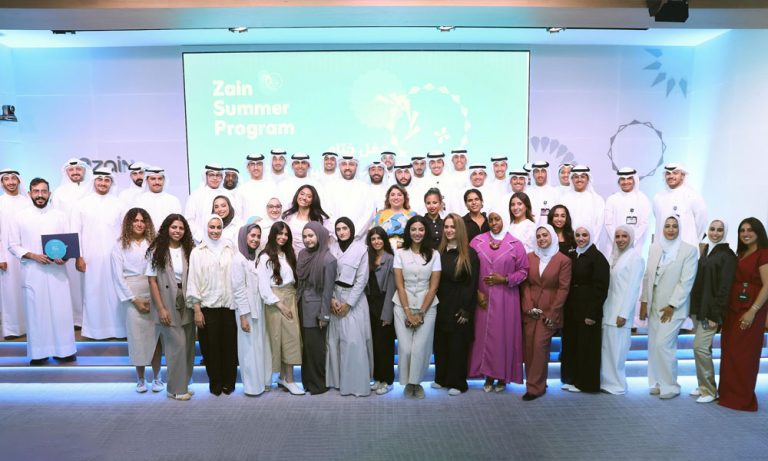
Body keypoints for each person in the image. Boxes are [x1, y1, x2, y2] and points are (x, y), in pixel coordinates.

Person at [8, 178, 77, 365]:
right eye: (36, 191)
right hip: (33, 273)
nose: (40, 195)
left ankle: (65, 351)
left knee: (61, 312)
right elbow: (12, 245)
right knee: (37, 314)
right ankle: (39, 353)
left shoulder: (60, 216)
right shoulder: (19, 217)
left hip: (57, 273)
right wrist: (33, 255)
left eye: (44, 191)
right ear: (29, 193)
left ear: (49, 193)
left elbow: (69, 243)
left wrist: (65, 257)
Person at [468, 211, 529, 393]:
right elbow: (468, 269)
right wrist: (476, 292)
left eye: (498, 219)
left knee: (503, 336)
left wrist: (505, 279)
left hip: (506, 298)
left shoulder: (516, 244)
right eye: (491, 220)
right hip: (483, 298)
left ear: (504, 220)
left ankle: (502, 376)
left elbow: (524, 271)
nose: (494, 223)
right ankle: (488, 375)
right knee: (484, 337)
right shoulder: (477, 241)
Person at [639, 216, 698, 400]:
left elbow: (686, 281)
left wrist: (673, 304)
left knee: (664, 345)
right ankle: (657, 382)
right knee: (654, 346)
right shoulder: (655, 247)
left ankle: (671, 385)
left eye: (674, 226)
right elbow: (648, 276)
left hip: (674, 307)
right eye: (667, 226)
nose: (671, 229)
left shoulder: (689, 250)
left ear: (680, 229)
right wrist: (644, 301)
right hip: (654, 304)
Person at [718, 218, 768, 411]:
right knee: (730, 353)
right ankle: (728, 395)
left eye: (750, 230)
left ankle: (742, 399)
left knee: (744, 355)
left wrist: (753, 311)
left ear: (758, 232)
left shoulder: (763, 254)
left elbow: (767, 286)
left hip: (750, 310)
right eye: (742, 230)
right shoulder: (741, 254)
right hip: (733, 309)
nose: (745, 233)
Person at [111, 207, 163, 393]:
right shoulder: (119, 246)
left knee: (156, 338)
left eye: (143, 220)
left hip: (154, 291)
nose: (139, 224)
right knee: (136, 338)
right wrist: (134, 299)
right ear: (129, 223)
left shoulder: (155, 243)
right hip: (132, 294)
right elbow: (118, 277)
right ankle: (140, 379)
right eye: (136, 220)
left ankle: (157, 377)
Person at [71, 167, 126, 340]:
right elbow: (75, 232)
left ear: (111, 183)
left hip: (115, 257)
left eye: (107, 180)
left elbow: (125, 232)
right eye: (100, 179)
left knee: (116, 292)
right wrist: (78, 256)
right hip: (90, 257)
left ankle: (119, 330)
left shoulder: (119, 204)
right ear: (94, 181)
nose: (103, 183)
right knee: (93, 293)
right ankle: (95, 331)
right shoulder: (81, 204)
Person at [146, 214, 195, 400]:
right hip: (167, 300)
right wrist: (161, 308)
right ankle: (176, 389)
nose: (177, 231)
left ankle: (183, 384)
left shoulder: (189, 249)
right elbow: (152, 281)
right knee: (177, 346)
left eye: (181, 228)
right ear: (167, 228)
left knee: (188, 345)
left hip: (187, 298)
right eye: (174, 227)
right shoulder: (156, 250)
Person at [186, 215, 236, 396]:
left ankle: (229, 383)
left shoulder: (230, 249)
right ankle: (215, 383)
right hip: (207, 308)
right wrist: (196, 310)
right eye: (211, 227)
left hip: (229, 306)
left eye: (218, 227)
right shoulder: (197, 252)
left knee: (229, 348)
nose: (215, 231)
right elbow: (193, 281)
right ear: (206, 228)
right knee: (210, 349)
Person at [520, 224, 571, 400]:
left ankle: (535, 388)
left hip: (549, 311)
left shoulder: (563, 260)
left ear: (552, 237)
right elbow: (525, 283)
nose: (542, 239)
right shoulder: (529, 257)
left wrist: (552, 314)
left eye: (545, 235)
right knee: (529, 348)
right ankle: (536, 381)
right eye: (539, 236)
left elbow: (563, 289)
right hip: (531, 311)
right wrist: (528, 307)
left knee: (539, 348)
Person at [393, 215, 441, 398]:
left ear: (426, 232)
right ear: (408, 232)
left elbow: (433, 287)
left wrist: (420, 313)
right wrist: (408, 312)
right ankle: (407, 383)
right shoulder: (400, 253)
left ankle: (417, 383)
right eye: (413, 229)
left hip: (427, 306)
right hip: (402, 305)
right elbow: (400, 285)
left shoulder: (434, 254)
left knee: (420, 348)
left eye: (421, 229)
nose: (417, 233)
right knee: (405, 348)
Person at [689, 219, 736, 403]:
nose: (715, 233)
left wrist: (715, 314)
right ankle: (703, 384)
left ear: (725, 232)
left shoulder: (727, 255)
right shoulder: (707, 249)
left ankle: (709, 390)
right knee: (703, 348)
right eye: (712, 229)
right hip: (699, 309)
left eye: (719, 230)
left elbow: (725, 288)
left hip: (711, 311)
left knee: (699, 347)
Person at [433, 213, 479, 396]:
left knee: (457, 345)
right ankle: (441, 378)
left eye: (453, 227)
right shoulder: (439, 252)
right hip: (441, 304)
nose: (449, 230)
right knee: (441, 343)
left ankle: (458, 383)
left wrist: (466, 310)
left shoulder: (470, 254)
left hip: (460, 306)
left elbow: (472, 284)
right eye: (446, 227)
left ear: (459, 229)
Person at [560, 224, 609, 393]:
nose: (581, 238)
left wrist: (592, 313)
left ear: (591, 236)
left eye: (585, 235)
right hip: (572, 307)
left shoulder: (597, 258)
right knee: (572, 344)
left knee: (586, 346)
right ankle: (572, 379)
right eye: (578, 235)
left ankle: (585, 383)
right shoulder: (573, 255)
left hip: (588, 309)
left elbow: (601, 288)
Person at [256, 221, 304, 395]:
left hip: (290, 297)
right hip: (276, 301)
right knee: (284, 340)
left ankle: (284, 378)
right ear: (273, 234)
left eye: (286, 234)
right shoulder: (265, 257)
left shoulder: (289, 254)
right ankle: (290, 380)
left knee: (290, 339)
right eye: (280, 233)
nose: (283, 237)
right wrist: (279, 304)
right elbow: (263, 286)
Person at [327, 217, 373, 396]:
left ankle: (355, 385)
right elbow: (327, 275)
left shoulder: (362, 249)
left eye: (345, 228)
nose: (341, 232)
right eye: (338, 229)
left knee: (354, 342)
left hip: (354, 299)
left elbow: (362, 279)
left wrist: (348, 304)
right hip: (334, 297)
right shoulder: (332, 248)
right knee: (335, 341)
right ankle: (338, 382)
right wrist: (331, 298)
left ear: (351, 229)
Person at [600, 225, 645, 395]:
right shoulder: (614, 256)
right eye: (617, 236)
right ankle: (608, 383)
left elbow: (633, 289)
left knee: (618, 352)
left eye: (624, 236)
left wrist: (624, 313)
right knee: (608, 351)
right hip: (608, 311)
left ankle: (617, 385)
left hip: (620, 314)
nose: (620, 240)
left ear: (631, 238)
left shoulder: (635, 258)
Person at [231, 223, 273, 397]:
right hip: (245, 310)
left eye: (258, 236)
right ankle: (252, 387)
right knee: (248, 349)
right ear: (244, 236)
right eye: (252, 235)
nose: (255, 239)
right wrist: (243, 316)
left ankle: (263, 382)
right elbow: (238, 289)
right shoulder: (238, 259)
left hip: (259, 307)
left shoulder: (256, 257)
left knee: (260, 345)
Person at [296, 222, 336, 395]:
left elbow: (328, 291)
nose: (307, 240)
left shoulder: (329, 259)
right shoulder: (302, 254)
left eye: (311, 236)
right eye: (305, 236)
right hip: (301, 306)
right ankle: (307, 382)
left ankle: (318, 384)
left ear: (319, 236)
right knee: (306, 347)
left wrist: (324, 315)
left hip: (316, 311)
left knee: (316, 349)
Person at [52, 158, 92, 329]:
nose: (75, 172)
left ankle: (93, 318)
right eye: (71, 170)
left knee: (92, 280)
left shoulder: (92, 189)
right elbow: (55, 219)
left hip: (91, 240)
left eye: (78, 169)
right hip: (67, 242)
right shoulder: (59, 192)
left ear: (84, 171)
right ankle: (77, 319)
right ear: (66, 172)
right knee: (73, 282)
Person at [365, 227, 396, 395]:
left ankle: (388, 380)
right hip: (370, 306)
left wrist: (387, 314)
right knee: (375, 345)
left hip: (385, 304)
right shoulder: (367, 258)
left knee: (386, 345)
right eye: (373, 239)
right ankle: (378, 378)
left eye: (379, 238)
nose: (376, 241)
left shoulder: (391, 259)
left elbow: (392, 289)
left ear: (384, 240)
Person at [0, 168, 30, 338]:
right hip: (7, 255)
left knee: (29, 289)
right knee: (10, 291)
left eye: (13, 178)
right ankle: (12, 329)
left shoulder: (27, 202)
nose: (11, 182)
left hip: (28, 253)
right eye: (6, 179)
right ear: (2, 182)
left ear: (19, 181)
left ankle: (31, 326)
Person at [652, 163, 707, 247]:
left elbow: (701, 222)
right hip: (663, 247)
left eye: (675, 173)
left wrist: (692, 241)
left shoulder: (693, 196)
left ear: (683, 176)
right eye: (668, 173)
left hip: (685, 247)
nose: (671, 176)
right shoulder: (658, 197)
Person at [602, 167, 651, 255]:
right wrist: (618, 240)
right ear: (618, 181)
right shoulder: (612, 199)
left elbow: (644, 223)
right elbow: (608, 223)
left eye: (629, 178)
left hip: (635, 245)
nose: (626, 182)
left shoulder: (642, 199)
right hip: (615, 245)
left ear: (634, 180)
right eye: (623, 179)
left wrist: (631, 241)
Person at [327, 154, 375, 241]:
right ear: (339, 166)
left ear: (356, 166)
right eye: (344, 164)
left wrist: (354, 234)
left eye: (351, 164)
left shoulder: (365, 188)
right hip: (336, 239)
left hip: (359, 238)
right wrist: (338, 233)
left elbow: (368, 214)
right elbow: (327, 213)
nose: (347, 167)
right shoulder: (330, 187)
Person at [559, 165, 605, 245]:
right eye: (576, 177)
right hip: (568, 244)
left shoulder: (597, 200)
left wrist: (590, 243)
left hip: (591, 244)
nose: (579, 180)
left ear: (588, 179)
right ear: (572, 179)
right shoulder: (563, 199)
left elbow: (599, 225)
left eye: (582, 177)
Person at [281, 184, 333, 254]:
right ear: (297, 195)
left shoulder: (320, 219)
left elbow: (327, 241)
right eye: (302, 194)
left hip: (313, 256)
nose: (304, 198)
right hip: (291, 256)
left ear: (313, 200)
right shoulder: (289, 216)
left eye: (309, 196)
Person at [132, 166, 182, 233]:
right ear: (147, 180)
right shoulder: (139, 200)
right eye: (153, 179)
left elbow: (177, 224)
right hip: (146, 238)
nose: (157, 182)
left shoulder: (173, 200)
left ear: (164, 180)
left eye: (160, 179)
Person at [185, 164, 224, 242]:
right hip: (199, 241)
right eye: (211, 175)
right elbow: (189, 219)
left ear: (222, 177)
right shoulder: (196, 195)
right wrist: (200, 238)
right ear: (206, 176)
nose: (215, 178)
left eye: (218, 175)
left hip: (223, 241)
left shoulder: (228, 195)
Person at [373, 184, 416, 249]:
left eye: (399, 195)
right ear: (388, 198)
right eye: (392, 195)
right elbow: (374, 236)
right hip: (385, 250)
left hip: (407, 250)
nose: (396, 198)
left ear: (404, 198)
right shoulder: (380, 215)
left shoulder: (413, 215)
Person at [240, 153, 274, 224]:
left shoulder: (272, 186)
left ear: (263, 166)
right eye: (252, 164)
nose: (256, 168)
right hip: (248, 228)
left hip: (269, 227)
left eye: (259, 164)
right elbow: (238, 214)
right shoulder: (242, 189)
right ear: (248, 167)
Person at [527, 160, 560, 225]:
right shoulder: (527, 192)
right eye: (537, 172)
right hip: (531, 228)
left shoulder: (555, 192)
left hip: (550, 228)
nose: (540, 175)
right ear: (533, 174)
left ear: (547, 173)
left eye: (543, 171)